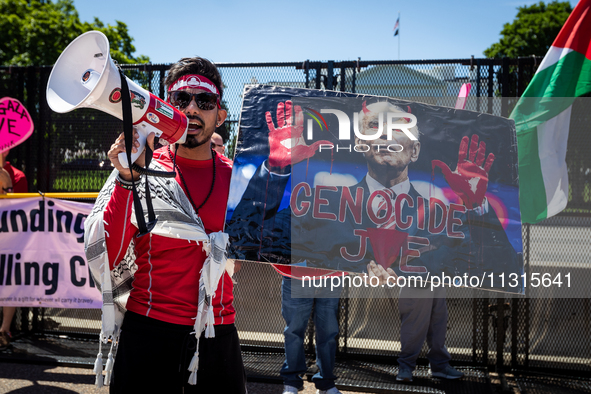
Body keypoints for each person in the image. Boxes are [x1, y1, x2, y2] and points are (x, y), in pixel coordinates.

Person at [228, 99, 521, 383]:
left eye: (398, 128)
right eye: (374, 127)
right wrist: (275, 170)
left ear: (415, 149)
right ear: (360, 145)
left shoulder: (438, 215)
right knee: (301, 329)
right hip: (312, 283)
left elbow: (502, 268)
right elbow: (245, 236)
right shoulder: (324, 206)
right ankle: (302, 380)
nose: (385, 135)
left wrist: (476, 206)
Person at [84, 57, 246, 393]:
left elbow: (274, 254)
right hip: (148, 334)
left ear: (220, 115)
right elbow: (108, 257)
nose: (192, 109)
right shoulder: (138, 167)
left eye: (204, 101)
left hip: (217, 333)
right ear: (164, 109)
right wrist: (128, 178)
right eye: (181, 100)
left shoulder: (240, 180)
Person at [0, 149, 28, 351]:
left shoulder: (18, 176)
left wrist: (7, 185)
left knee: (10, 280)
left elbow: (18, 209)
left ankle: (4, 330)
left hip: (10, 239)